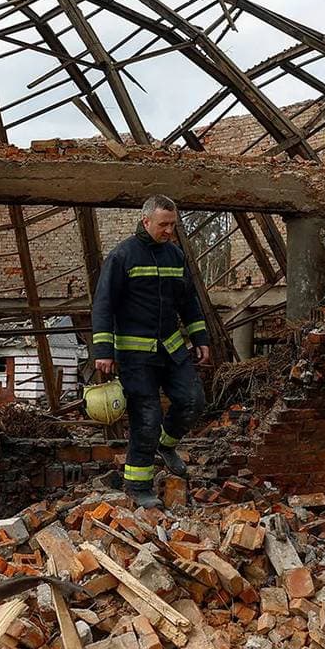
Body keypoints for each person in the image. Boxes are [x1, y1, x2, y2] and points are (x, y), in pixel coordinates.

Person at [91, 195, 211, 507]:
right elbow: (103, 305)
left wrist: (201, 339)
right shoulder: (122, 256)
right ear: (146, 222)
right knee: (146, 416)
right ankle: (137, 485)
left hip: (171, 349)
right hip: (134, 356)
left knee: (193, 400)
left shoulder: (175, 256)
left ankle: (166, 444)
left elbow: (189, 302)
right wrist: (104, 350)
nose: (170, 230)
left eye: (173, 224)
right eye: (163, 224)